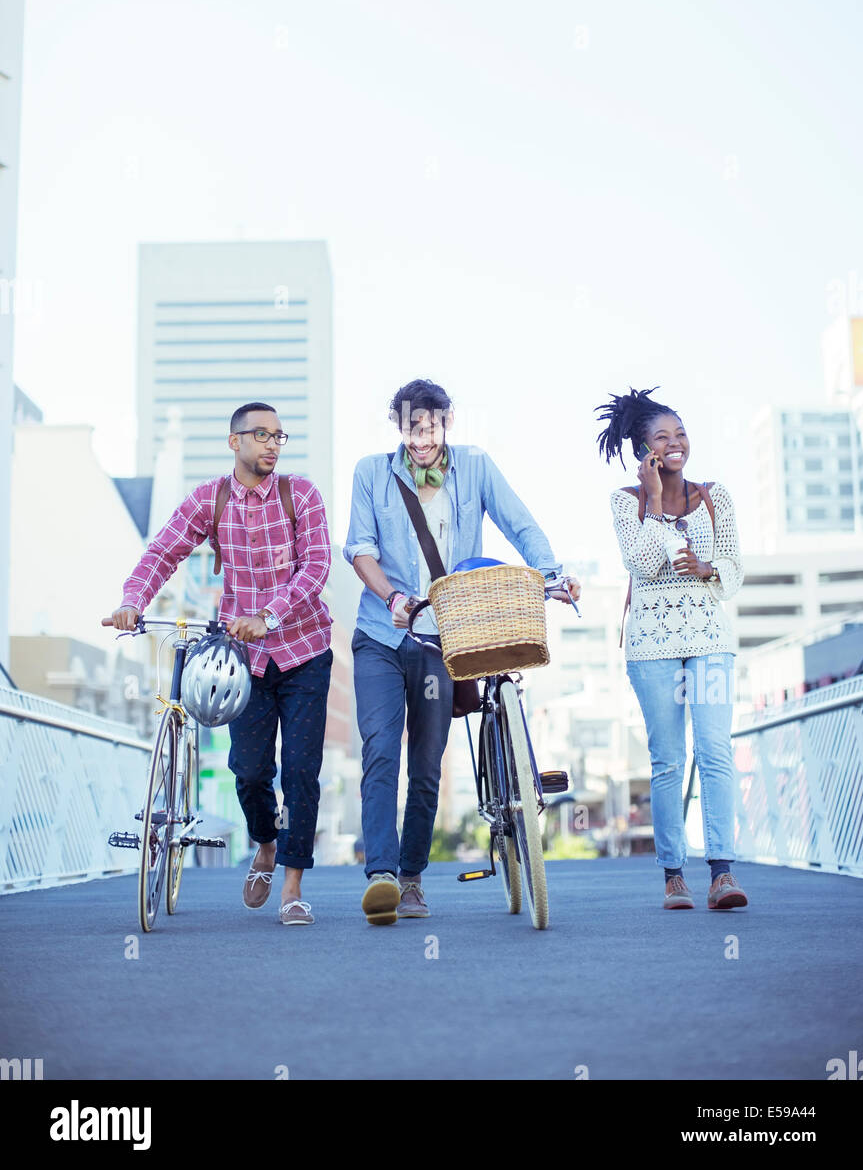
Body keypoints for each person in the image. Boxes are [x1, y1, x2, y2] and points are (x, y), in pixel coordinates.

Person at [344, 378, 580, 926]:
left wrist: (551, 575)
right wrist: (393, 597)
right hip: (382, 633)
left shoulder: (474, 467)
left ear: (446, 420)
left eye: (428, 425)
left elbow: (518, 522)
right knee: (381, 749)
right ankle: (380, 874)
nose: (419, 437)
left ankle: (410, 879)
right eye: (409, 427)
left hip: (442, 637)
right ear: (397, 428)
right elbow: (359, 548)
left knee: (426, 765)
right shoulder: (370, 473)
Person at [103, 403, 333, 926]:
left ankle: (292, 887)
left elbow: (317, 567)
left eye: (280, 436)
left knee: (301, 772)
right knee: (249, 772)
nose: (272, 444)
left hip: (305, 651)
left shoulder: (302, 496)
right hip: (242, 662)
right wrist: (132, 601)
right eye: (261, 435)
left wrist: (269, 616)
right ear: (234, 442)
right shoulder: (211, 499)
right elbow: (163, 550)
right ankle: (266, 845)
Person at [596, 386, 747, 911]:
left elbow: (732, 575)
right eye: (662, 437)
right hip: (653, 646)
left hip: (708, 640)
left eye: (680, 432)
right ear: (644, 451)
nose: (676, 442)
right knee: (667, 760)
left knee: (715, 752)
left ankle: (722, 874)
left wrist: (710, 569)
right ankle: (673, 875)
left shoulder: (714, 496)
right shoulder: (626, 502)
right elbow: (643, 565)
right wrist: (656, 502)